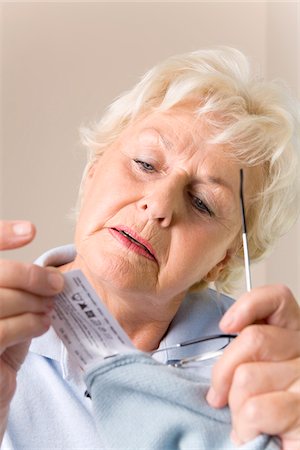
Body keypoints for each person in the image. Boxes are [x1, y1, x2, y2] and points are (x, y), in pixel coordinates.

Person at [1, 47, 300, 449]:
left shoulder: (265, 371)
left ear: (223, 259)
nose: (158, 205)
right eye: (145, 163)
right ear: (93, 171)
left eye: (202, 203)